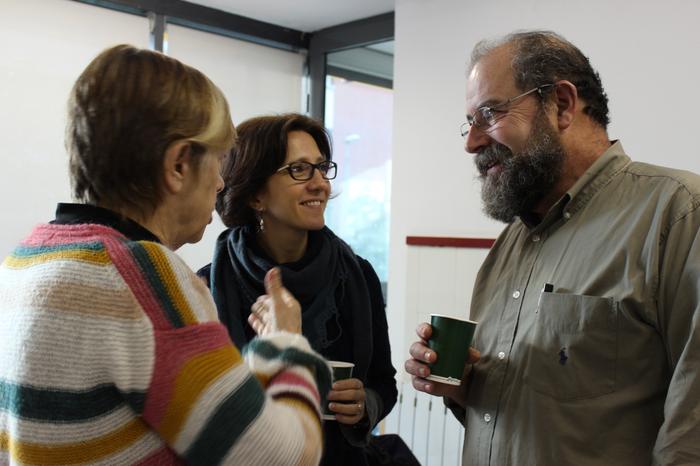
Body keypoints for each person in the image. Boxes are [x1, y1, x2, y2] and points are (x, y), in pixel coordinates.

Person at [0, 45, 331, 466]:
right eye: (219, 159)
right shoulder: (141, 279)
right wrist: (286, 342)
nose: (220, 183)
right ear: (178, 165)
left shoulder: (25, 261)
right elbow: (287, 457)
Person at [405, 30, 700, 465]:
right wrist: (465, 388)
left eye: (489, 113)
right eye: (469, 122)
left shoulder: (678, 215)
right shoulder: (509, 245)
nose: (471, 141)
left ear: (561, 104)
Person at [198, 113, 398, 466]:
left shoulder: (357, 275)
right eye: (299, 170)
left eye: (322, 168)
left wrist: (365, 403)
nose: (320, 183)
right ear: (256, 194)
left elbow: (384, 382)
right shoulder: (207, 288)